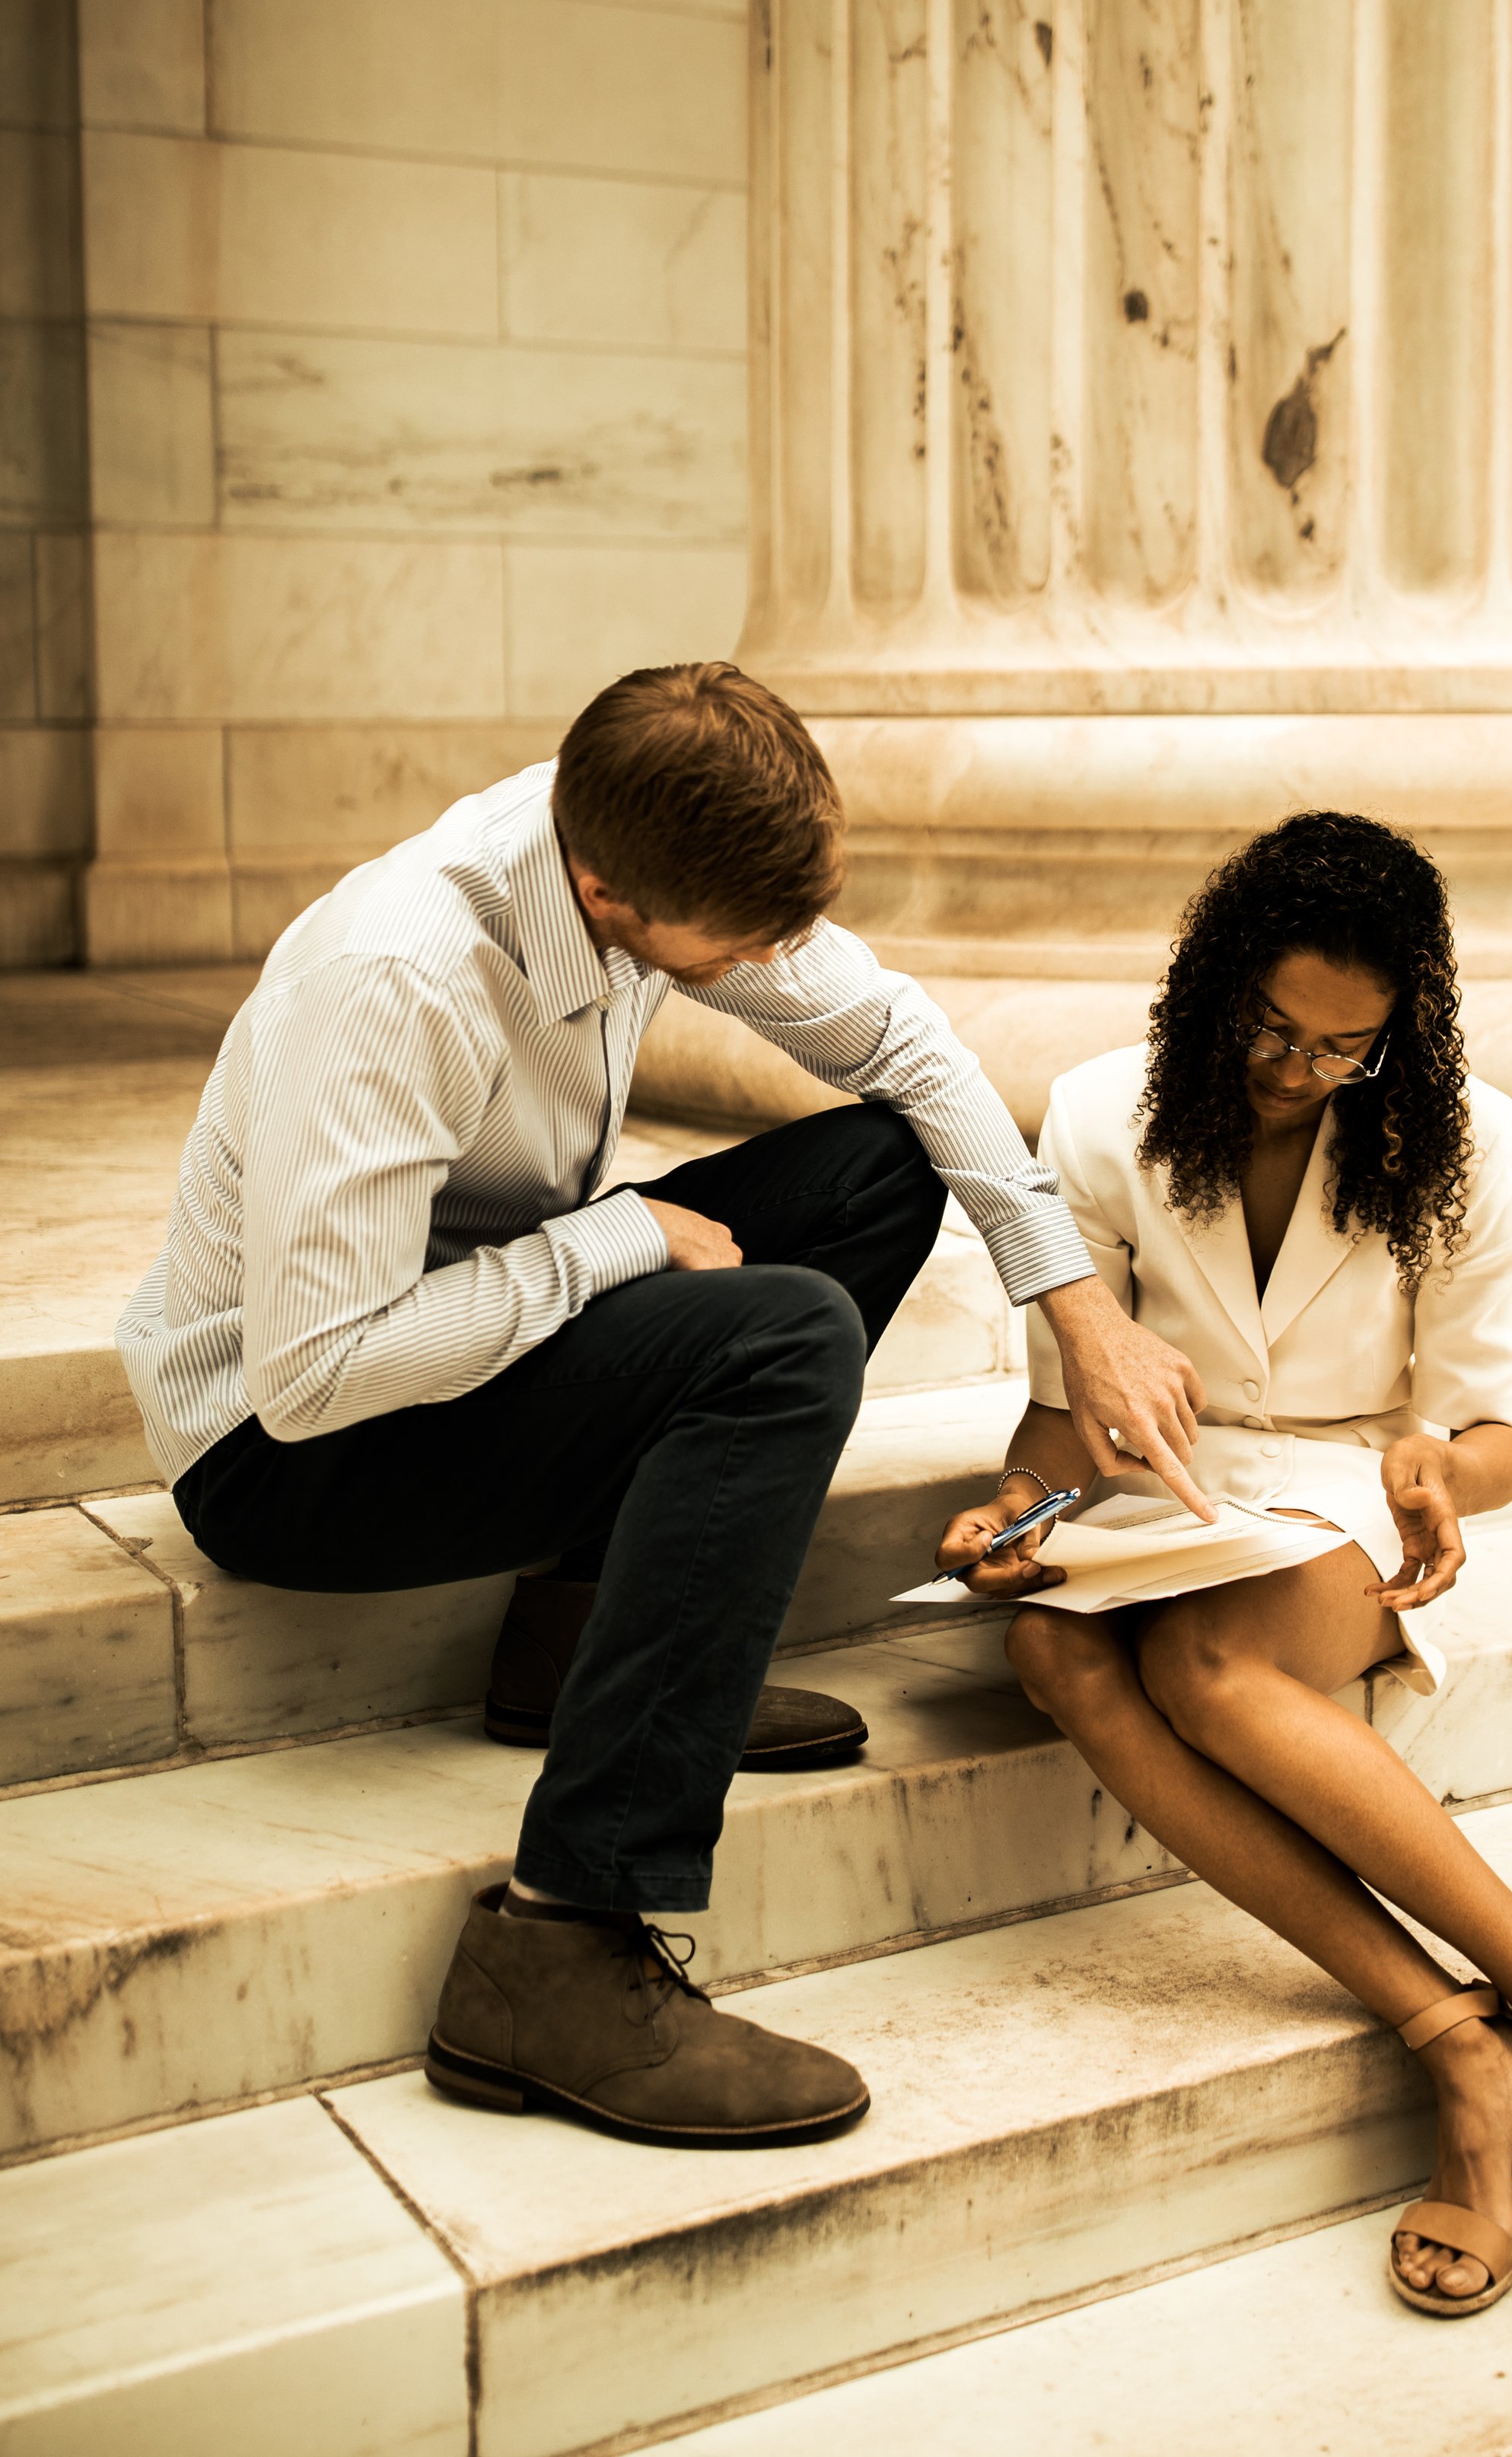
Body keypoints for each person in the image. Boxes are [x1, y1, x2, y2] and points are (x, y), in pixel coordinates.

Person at [117, 662, 1196, 2150]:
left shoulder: (631, 854)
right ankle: (561, 1939)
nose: (785, 960)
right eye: (758, 940)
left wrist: (1072, 1307)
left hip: (464, 1347)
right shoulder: (399, 980)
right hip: (285, 1454)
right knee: (779, 1337)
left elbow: (901, 1041)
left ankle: (581, 1649)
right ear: (609, 890)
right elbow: (316, 1381)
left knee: (880, 1166)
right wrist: (618, 1239)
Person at [935, 813, 1512, 2319]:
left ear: (1397, 1032)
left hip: (1351, 1484)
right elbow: (1058, 1409)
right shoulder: (1096, 1117)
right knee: (1054, 1648)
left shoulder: (1465, 1135)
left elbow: (1493, 1437)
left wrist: (1438, 1467)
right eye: (1273, 1031)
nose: (1299, 1070)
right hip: (1169, 1482)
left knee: (1207, 1665)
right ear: (1213, 985)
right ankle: (1456, 2039)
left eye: (1347, 1047)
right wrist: (1011, 1513)